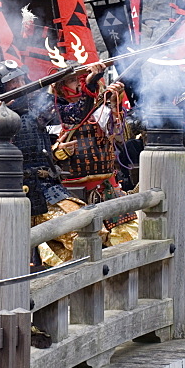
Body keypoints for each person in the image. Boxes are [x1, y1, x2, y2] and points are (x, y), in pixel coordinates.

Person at [0, 59, 84, 267]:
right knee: (15, 256)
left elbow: (74, 113)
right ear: (2, 88)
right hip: (17, 193)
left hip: (47, 188)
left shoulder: (34, 108)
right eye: (14, 82)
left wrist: (90, 84)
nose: (21, 84)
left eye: (21, 79)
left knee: (84, 229)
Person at [49, 61, 138, 247]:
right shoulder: (53, 114)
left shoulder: (100, 109)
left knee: (128, 240)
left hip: (106, 189)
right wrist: (57, 152)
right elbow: (43, 157)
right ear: (61, 86)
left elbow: (122, 137)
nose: (79, 84)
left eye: (82, 79)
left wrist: (114, 106)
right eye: (73, 80)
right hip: (67, 195)